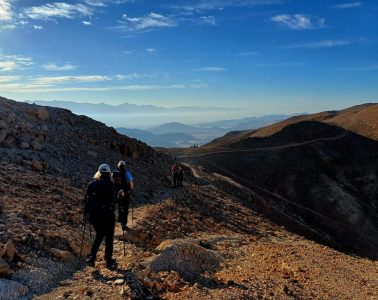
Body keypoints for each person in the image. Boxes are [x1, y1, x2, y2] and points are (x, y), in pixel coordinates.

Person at [84, 164, 116, 268]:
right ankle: (108, 260)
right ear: (109, 173)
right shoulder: (111, 184)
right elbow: (114, 200)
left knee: (99, 235)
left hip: (95, 215)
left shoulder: (92, 184)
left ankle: (92, 257)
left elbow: (86, 199)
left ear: (99, 172)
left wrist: (86, 214)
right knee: (109, 237)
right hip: (108, 214)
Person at [117, 160, 134, 230]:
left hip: (118, 193)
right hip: (126, 193)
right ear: (124, 166)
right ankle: (123, 224)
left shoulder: (115, 173)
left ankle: (119, 219)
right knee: (125, 208)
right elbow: (131, 183)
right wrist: (131, 189)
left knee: (119, 206)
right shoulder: (127, 173)